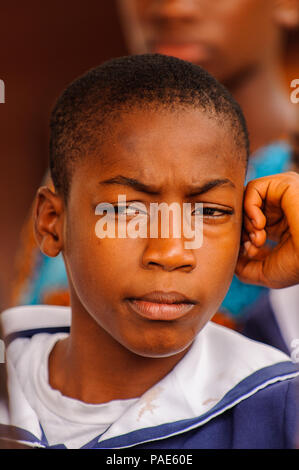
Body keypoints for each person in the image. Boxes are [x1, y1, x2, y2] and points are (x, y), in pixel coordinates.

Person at [1, 55, 299, 449]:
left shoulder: (277, 409)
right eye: (127, 210)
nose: (172, 251)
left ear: (246, 224)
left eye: (209, 212)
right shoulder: (9, 380)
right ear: (52, 222)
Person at [11, 0, 299, 326]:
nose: (171, 9)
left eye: (211, 211)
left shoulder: (289, 178)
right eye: (122, 208)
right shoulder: (89, 158)